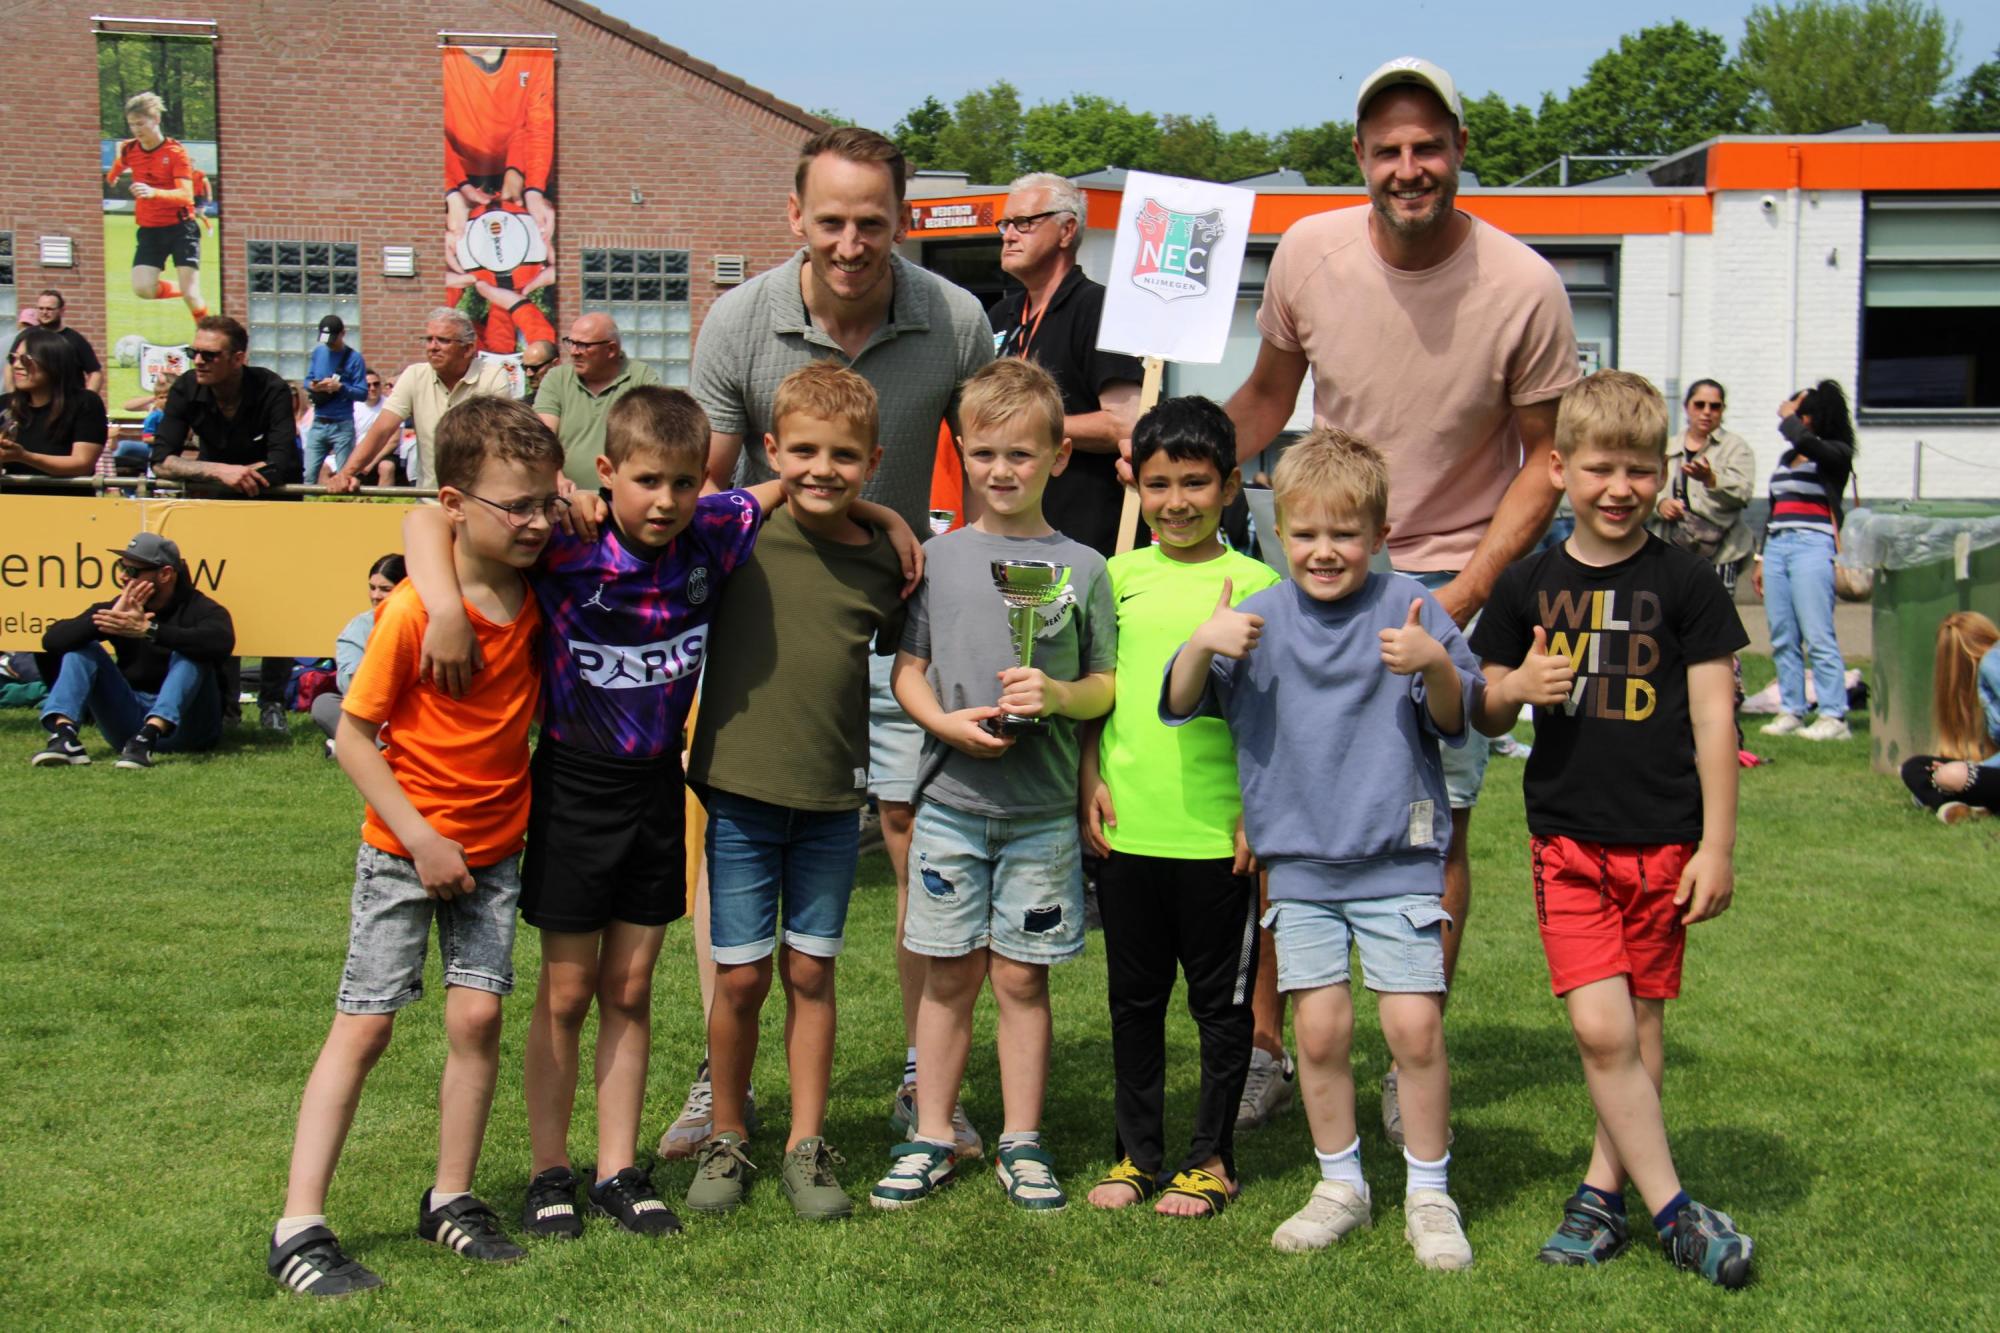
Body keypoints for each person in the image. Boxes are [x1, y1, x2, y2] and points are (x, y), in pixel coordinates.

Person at [404, 385, 919, 1241]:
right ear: (606, 472)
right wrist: (449, 607)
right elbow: (427, 517)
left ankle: (617, 1170)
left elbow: (797, 482)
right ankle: (549, 1170)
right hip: (573, 785)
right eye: (646, 481)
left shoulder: (713, 529)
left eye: (684, 482)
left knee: (632, 987)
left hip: (656, 787)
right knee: (568, 990)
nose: (666, 500)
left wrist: (887, 516)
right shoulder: (566, 539)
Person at [1219, 56, 1579, 1144]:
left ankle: (1405, 1053)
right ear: (1359, 158)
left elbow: (1546, 458)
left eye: (1427, 147)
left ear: (1459, 150)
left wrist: (1462, 595)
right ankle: (1268, 1047)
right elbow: (1267, 398)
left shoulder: (1524, 285)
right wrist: (1179, 458)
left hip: (1446, 588)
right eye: (1387, 150)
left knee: (1436, 824)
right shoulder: (1308, 254)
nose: (1408, 167)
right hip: (1318, 576)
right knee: (1287, 816)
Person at [683, 125, 993, 1159]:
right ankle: (716, 1082)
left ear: (901, 220)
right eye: (831, 222)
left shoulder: (954, 317)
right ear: (794, 217)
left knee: (918, 840)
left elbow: (991, 466)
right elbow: (703, 491)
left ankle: (921, 1078)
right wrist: (875, 511)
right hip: (766, 622)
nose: (851, 244)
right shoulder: (740, 319)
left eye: (872, 222)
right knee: (730, 835)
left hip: (900, 623)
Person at [1164, 427, 1478, 1268]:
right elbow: (1181, 700)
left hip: (1397, 859)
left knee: (1414, 1027)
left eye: (1345, 532)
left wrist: (1433, 665)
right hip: (1300, 866)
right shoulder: (1257, 614)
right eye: (1305, 533)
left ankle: (1429, 1191)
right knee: (1322, 1030)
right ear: (1279, 532)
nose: (1325, 550)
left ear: (1380, 533)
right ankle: (1341, 1184)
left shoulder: (1411, 606)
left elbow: (1458, 717)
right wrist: (1200, 642)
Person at [267, 396, 559, 1297]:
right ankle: (298, 1224)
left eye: (546, 502)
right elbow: (353, 737)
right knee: (366, 1024)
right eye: (517, 506)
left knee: (478, 1020)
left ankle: (452, 1197)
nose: (537, 522)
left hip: (496, 850)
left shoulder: (538, 586)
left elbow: (440, 518)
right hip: (406, 851)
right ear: (459, 504)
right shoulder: (409, 614)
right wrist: (422, 837)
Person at [1470, 370, 1754, 1288]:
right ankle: (1675, 1211)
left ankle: (1600, 1196)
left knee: (1638, 1025)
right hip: (1567, 843)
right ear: (1559, 467)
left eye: (1638, 469)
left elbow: (1715, 720)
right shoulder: (1526, 583)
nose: (1620, 487)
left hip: (1666, 842)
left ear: (1661, 470)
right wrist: (1516, 687)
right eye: (1600, 468)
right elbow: (1481, 703)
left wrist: (1717, 845)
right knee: (1601, 1030)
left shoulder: (1688, 582)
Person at [868, 359, 1114, 1214]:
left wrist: (1058, 696)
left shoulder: (1084, 567)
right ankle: (932, 1133)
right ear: (961, 453)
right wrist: (944, 724)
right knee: (946, 976)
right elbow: (908, 671)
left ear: (1058, 457)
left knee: (1021, 979)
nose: (1001, 470)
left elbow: (1105, 685)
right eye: (984, 453)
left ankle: (1022, 1139)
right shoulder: (936, 559)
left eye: (1021, 453)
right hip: (950, 807)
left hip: (1041, 814)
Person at [681, 364, 911, 1222]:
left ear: (873, 461)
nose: (824, 469)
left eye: (845, 456)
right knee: (740, 978)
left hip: (831, 802)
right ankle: (727, 1131)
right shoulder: (735, 536)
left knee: (812, 969)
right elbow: (689, 507)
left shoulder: (887, 560)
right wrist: (868, 506)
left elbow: (905, 651)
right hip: (739, 793)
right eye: (804, 451)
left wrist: (888, 520)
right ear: (772, 450)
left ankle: (805, 1144)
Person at [1080, 396, 1278, 1219]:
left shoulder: (1264, 587)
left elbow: (1277, 721)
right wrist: (1088, 775)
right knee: (1134, 1002)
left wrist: (1258, 814)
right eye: (1158, 484)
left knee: (1220, 1009)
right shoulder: (1116, 576)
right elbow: (1100, 692)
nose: (1176, 502)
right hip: (1130, 830)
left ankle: (1210, 1159)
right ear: (1136, 484)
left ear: (1229, 485)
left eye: (1195, 483)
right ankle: (1136, 1153)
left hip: (1216, 838)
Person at [150, 314, 302, 732]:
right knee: (221, 601)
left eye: (209, 355)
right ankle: (227, 705)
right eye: (193, 352)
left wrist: (237, 474)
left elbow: (282, 460)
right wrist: (220, 471)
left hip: (276, 507)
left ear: (238, 358)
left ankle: (273, 702)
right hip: (218, 508)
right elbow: (160, 460)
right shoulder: (186, 387)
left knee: (280, 600)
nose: (198, 361)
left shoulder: (271, 387)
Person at [988, 172, 1143, 557]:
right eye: (1005, 224)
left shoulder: (1098, 308)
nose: (1009, 235)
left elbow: (1126, 424)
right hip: (1010, 534)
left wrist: (1026, 428)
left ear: (1066, 230)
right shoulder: (1001, 315)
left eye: (1024, 223)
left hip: (1085, 540)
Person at [31, 532, 233, 769]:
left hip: (189, 727)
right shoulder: (121, 608)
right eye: (121, 567)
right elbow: (52, 641)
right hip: (129, 725)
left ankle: (149, 736)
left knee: (191, 652)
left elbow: (221, 643)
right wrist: (105, 621)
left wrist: (150, 630)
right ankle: (64, 736)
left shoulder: (201, 609)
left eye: (133, 571)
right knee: (83, 650)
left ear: (165, 574)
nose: (123, 576)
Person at [1754, 379, 1857, 742]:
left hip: (1813, 546)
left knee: (1817, 634)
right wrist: (1761, 557)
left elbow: (1810, 444)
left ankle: (1833, 715)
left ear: (1817, 416)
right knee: (1783, 634)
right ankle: (1792, 709)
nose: (1795, 419)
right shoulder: (1788, 458)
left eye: (1802, 413)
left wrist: (1787, 418)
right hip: (1779, 545)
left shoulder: (1834, 453)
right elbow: (1775, 509)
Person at [330, 308, 511, 491]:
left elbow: (498, 441)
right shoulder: (414, 375)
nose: (432, 347)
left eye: (443, 340)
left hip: (480, 498)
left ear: (468, 349)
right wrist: (346, 474)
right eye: (429, 339)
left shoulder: (492, 377)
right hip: (430, 497)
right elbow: (382, 429)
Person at [107, 92, 208, 320]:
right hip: (150, 229)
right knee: (143, 289)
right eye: (132, 124)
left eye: (141, 123)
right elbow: (121, 162)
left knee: (192, 296)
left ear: (156, 120)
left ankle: (207, 335)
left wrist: (154, 193)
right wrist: (112, 177)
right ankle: (183, 289)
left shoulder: (176, 153)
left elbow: (186, 196)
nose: (136, 129)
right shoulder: (130, 149)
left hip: (181, 228)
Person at [533, 313, 661, 492]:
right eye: (571, 342)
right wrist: (555, 476)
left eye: (583, 345)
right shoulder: (557, 379)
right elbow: (541, 436)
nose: (574, 352)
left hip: (621, 497)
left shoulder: (641, 378)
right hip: (567, 497)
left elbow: (653, 439)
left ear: (611, 350)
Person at [1649, 379, 1756, 592]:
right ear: (1686, 406)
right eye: (1699, 405)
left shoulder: (1736, 448)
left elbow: (1743, 493)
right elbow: (1644, 487)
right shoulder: (1667, 446)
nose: (1706, 412)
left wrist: (1711, 479)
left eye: (1714, 406)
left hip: (1721, 551)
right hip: (1670, 547)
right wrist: (1660, 505)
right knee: (1670, 607)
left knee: (1715, 609)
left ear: (1723, 409)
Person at [1899, 612, 2000, 824]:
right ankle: (1958, 804)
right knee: (1916, 766)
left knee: (1950, 775)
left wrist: (1978, 768)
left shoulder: (1991, 663)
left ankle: (1939, 799)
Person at [310, 554, 407, 755]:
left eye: (385, 589)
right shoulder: (359, 628)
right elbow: (354, 687)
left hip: (421, 712)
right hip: (376, 711)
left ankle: (352, 748)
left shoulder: (430, 623)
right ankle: (384, 747)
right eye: (372, 587)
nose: (376, 595)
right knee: (325, 704)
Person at [2, 326, 108, 484]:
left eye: (25, 360)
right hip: (10, 498)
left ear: (52, 363)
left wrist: (24, 456)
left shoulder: (86, 403)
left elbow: (82, 464)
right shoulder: (5, 405)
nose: (16, 365)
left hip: (63, 498)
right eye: (13, 359)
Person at [303, 315, 369, 485]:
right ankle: (308, 501)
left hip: (342, 425)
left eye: (332, 340)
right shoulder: (318, 353)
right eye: (326, 340)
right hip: (319, 422)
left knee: (344, 476)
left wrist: (340, 387)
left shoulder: (354, 358)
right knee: (309, 474)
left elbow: (362, 393)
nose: (329, 344)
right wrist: (314, 386)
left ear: (343, 334)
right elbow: (307, 380)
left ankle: (344, 501)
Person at [34, 290, 104, 394]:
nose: (44, 312)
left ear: (62, 310)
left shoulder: (75, 340)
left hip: (69, 401)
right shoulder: (27, 337)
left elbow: (95, 373)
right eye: (41, 308)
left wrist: (88, 400)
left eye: (49, 309)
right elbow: (11, 366)